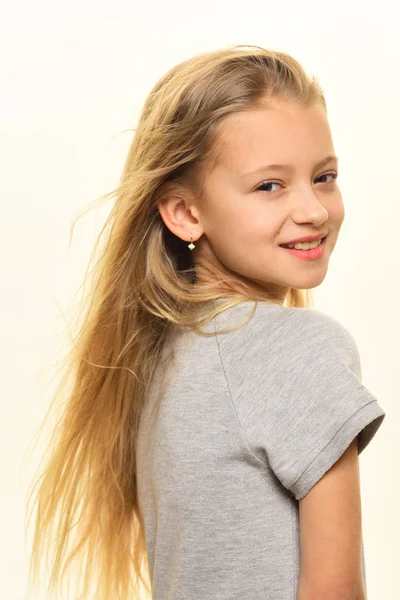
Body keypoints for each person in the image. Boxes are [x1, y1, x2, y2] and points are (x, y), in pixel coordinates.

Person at [27, 44, 386, 600]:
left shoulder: (157, 356)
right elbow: (335, 591)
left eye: (324, 176)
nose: (313, 209)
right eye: (270, 185)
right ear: (185, 213)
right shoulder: (300, 348)